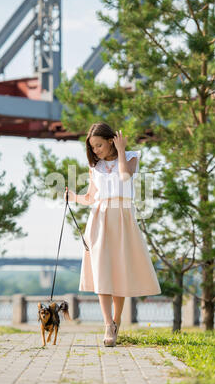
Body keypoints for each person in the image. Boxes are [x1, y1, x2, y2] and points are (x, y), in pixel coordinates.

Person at [64, 122, 161, 347]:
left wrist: (121, 150)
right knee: (102, 271)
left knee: (120, 272)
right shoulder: (94, 167)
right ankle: (108, 324)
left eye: (99, 145)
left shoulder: (130, 157)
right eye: (92, 147)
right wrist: (74, 197)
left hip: (123, 217)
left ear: (111, 140)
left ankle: (116, 322)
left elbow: (125, 176)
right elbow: (91, 197)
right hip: (99, 218)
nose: (96, 150)